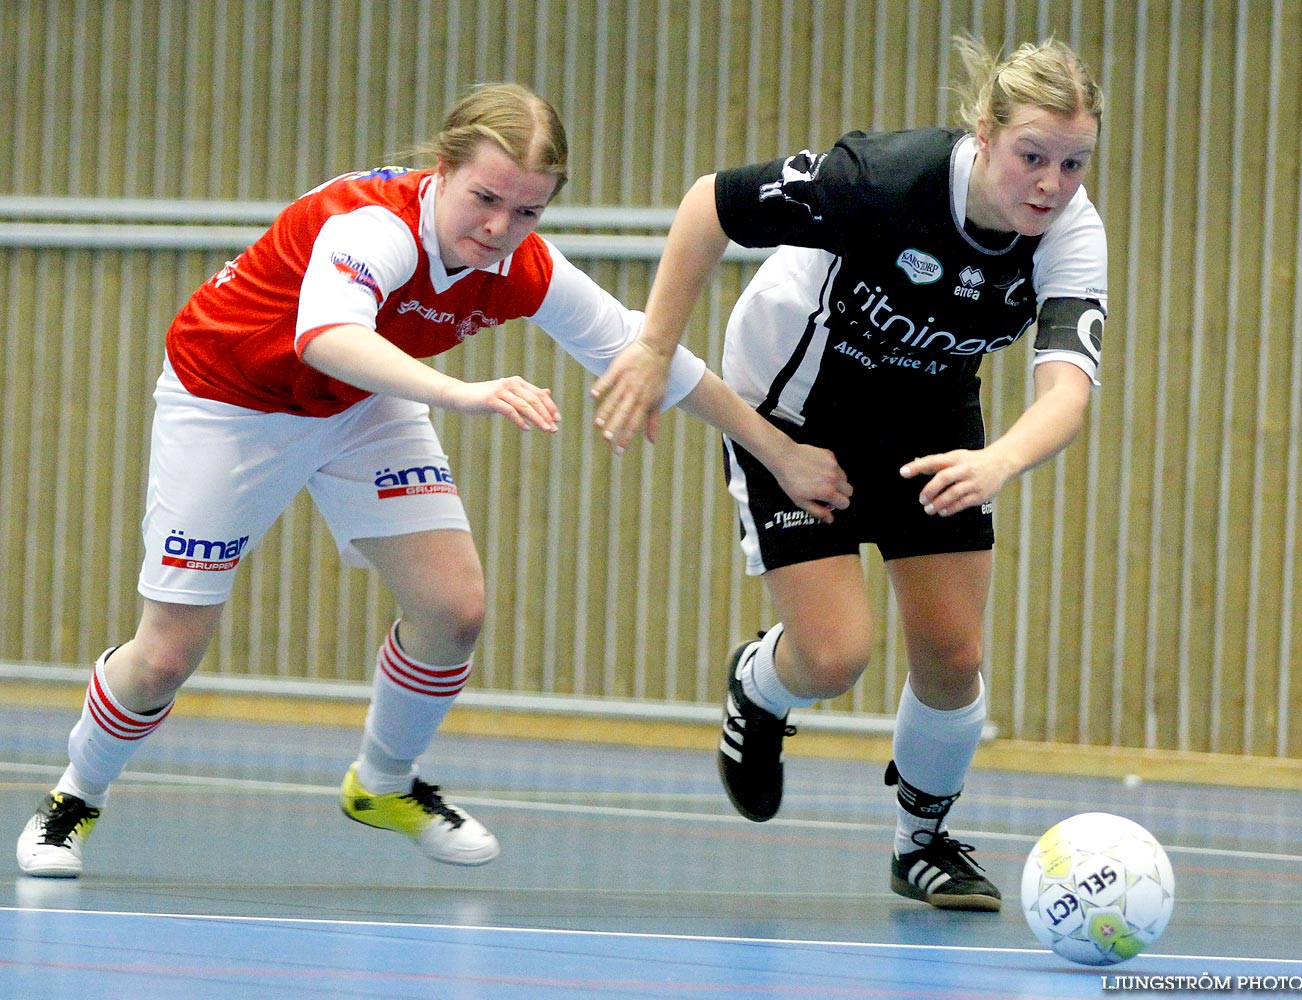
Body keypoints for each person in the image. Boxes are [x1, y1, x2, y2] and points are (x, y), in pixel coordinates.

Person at [16, 82, 851, 879]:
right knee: (166, 654)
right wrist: (461, 392)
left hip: (359, 402)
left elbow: (648, 352)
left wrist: (780, 452)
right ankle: (74, 796)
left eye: (529, 209)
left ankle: (382, 782)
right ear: (441, 169)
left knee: (454, 610)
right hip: (230, 400)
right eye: (485, 198)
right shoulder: (370, 226)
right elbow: (327, 336)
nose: (500, 227)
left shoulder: (523, 265)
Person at [592, 37, 1107, 911]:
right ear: (983, 134)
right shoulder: (878, 180)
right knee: (836, 658)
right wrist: (653, 348)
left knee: (954, 657)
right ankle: (760, 689)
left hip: (930, 424)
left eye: (1072, 162)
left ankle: (922, 842)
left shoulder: (1069, 234)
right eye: (1032, 156)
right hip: (795, 408)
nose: (1050, 184)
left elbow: (1066, 390)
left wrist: (999, 460)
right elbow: (707, 206)